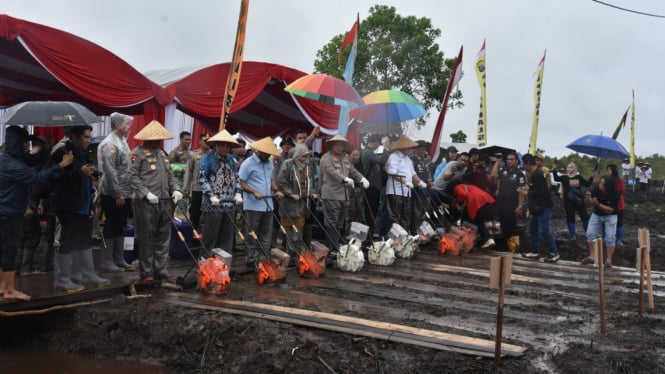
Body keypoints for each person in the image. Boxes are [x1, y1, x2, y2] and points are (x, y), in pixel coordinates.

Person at [0, 126, 73, 300]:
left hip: (6, 211)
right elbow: (37, 178)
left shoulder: (7, 158)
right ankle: (9, 290)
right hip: (9, 213)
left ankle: (3, 286)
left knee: (4, 250)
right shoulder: (14, 165)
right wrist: (61, 165)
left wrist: (43, 147)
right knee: (10, 250)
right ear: (18, 144)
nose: (27, 147)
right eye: (25, 144)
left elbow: (32, 160)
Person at [51, 125, 110, 291]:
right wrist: (79, 172)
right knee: (68, 241)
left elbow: (86, 181)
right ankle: (62, 278)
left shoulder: (83, 153)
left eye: (90, 137)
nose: (88, 140)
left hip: (83, 204)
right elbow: (57, 178)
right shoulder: (62, 152)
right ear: (74, 137)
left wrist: (90, 203)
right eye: (85, 137)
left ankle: (86, 273)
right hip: (68, 205)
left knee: (84, 240)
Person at [128, 121, 183, 281]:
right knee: (146, 236)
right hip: (146, 202)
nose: (159, 141)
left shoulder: (163, 154)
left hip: (165, 200)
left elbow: (170, 175)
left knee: (163, 235)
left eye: (160, 139)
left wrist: (176, 189)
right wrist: (146, 193)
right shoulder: (137, 153)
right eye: (156, 139)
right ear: (147, 138)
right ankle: (146, 272)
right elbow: (132, 176)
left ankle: (160, 269)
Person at [97, 112, 135, 271]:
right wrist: (118, 193)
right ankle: (107, 261)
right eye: (126, 124)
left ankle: (119, 259)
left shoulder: (122, 142)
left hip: (125, 191)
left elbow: (127, 168)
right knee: (112, 225)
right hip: (112, 193)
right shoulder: (109, 144)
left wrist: (130, 193)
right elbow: (110, 171)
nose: (129, 127)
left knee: (121, 224)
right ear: (117, 125)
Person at [319, 135, 369, 253]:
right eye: (336, 144)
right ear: (332, 146)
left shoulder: (345, 158)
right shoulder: (326, 158)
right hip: (331, 194)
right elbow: (330, 171)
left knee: (340, 222)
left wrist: (362, 178)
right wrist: (344, 178)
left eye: (341, 145)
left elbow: (353, 170)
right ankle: (330, 248)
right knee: (332, 222)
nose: (338, 147)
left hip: (344, 194)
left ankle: (335, 246)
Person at [239, 137, 283, 266]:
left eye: (270, 153)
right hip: (253, 204)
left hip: (268, 204)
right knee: (252, 232)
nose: (268, 155)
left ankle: (264, 258)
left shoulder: (269, 163)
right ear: (259, 151)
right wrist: (253, 191)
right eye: (266, 153)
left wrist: (276, 190)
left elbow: (270, 180)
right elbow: (241, 182)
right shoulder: (248, 163)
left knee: (266, 233)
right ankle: (251, 258)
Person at [198, 130, 242, 259]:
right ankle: (204, 263)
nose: (224, 148)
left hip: (229, 203)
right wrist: (210, 195)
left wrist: (238, 193)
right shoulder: (207, 158)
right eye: (221, 145)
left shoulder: (231, 160)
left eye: (227, 146)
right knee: (210, 236)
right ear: (216, 145)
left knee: (227, 237)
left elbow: (236, 177)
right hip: (214, 203)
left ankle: (223, 264)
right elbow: (201, 178)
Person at [276, 143, 317, 257]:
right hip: (290, 203)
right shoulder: (288, 164)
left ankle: (297, 253)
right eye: (302, 156)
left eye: (306, 156)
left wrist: (312, 192)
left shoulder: (308, 166)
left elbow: (311, 182)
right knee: (290, 230)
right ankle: (292, 253)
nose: (304, 159)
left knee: (299, 229)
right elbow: (281, 182)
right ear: (297, 155)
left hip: (303, 203)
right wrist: (290, 194)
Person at [384, 135, 427, 234]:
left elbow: (413, 173)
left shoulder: (408, 159)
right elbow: (392, 172)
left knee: (406, 215)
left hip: (407, 191)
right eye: (408, 148)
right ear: (402, 147)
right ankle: (393, 238)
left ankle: (404, 237)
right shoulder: (393, 156)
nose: (409, 150)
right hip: (396, 190)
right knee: (394, 216)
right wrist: (405, 182)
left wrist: (419, 181)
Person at [521, 154, 560, 262]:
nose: (523, 167)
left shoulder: (537, 174)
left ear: (528, 163)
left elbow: (541, 191)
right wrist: (528, 188)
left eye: (524, 164)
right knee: (533, 228)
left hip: (544, 206)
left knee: (544, 230)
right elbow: (537, 188)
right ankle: (535, 251)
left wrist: (527, 192)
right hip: (537, 206)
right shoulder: (534, 174)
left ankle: (555, 252)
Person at [490, 151, 526, 253]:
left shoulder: (519, 174)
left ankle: (515, 249)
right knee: (503, 226)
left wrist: (520, 206)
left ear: (516, 161)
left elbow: (521, 191)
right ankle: (507, 248)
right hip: (501, 203)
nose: (509, 161)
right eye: (508, 159)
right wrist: (497, 162)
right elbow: (493, 175)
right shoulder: (504, 170)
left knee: (512, 227)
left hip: (512, 204)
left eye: (512, 159)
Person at [444, 180, 497, 249]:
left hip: (477, 203)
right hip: (488, 202)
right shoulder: (469, 186)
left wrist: (459, 204)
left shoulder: (457, 187)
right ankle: (488, 240)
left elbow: (463, 195)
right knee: (479, 221)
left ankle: (466, 242)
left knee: (466, 221)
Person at [581, 175, 618, 268]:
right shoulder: (596, 189)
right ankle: (592, 256)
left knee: (610, 237)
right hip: (597, 214)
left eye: (602, 183)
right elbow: (589, 204)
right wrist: (587, 199)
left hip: (611, 216)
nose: (599, 184)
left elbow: (610, 210)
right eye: (600, 182)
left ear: (607, 187)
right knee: (590, 234)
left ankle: (609, 260)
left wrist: (597, 204)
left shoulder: (615, 194)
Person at [551, 162, 592, 240]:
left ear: (574, 168)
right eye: (568, 167)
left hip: (579, 200)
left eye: (571, 167)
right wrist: (554, 170)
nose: (569, 169)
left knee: (584, 217)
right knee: (570, 217)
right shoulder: (564, 177)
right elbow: (556, 178)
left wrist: (592, 177)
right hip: (568, 201)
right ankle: (573, 235)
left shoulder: (579, 177)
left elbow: (587, 184)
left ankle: (588, 234)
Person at [359, 133, 390, 235]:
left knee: (373, 210)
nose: (378, 146)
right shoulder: (367, 152)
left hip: (374, 186)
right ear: (374, 142)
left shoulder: (370, 152)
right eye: (378, 143)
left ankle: (369, 233)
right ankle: (367, 235)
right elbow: (381, 160)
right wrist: (386, 150)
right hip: (371, 186)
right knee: (370, 211)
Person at [183, 133, 211, 231]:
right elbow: (188, 173)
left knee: (209, 213)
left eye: (209, 141)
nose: (207, 143)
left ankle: (205, 234)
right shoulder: (194, 155)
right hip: (197, 188)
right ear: (200, 142)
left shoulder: (214, 155)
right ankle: (192, 233)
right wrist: (186, 188)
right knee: (195, 212)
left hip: (210, 189)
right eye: (205, 141)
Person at [606, 164, 626, 246]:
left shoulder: (619, 180)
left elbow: (620, 190)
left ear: (613, 170)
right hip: (607, 203)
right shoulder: (605, 179)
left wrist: (610, 190)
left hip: (618, 204)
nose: (608, 171)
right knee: (607, 221)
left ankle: (619, 239)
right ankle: (606, 238)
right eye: (607, 169)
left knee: (619, 222)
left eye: (609, 169)